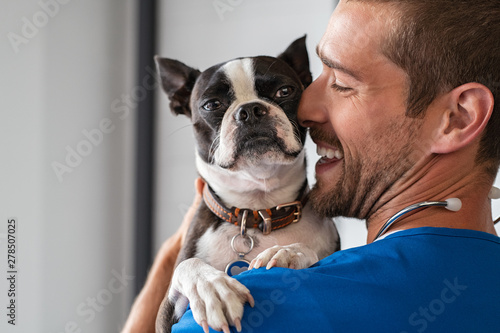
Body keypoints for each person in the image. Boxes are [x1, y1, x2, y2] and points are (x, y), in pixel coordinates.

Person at [125, 0, 500, 332]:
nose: (304, 110)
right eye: (315, 77)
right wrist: (176, 260)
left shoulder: (250, 307)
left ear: (457, 118)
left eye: (342, 83)